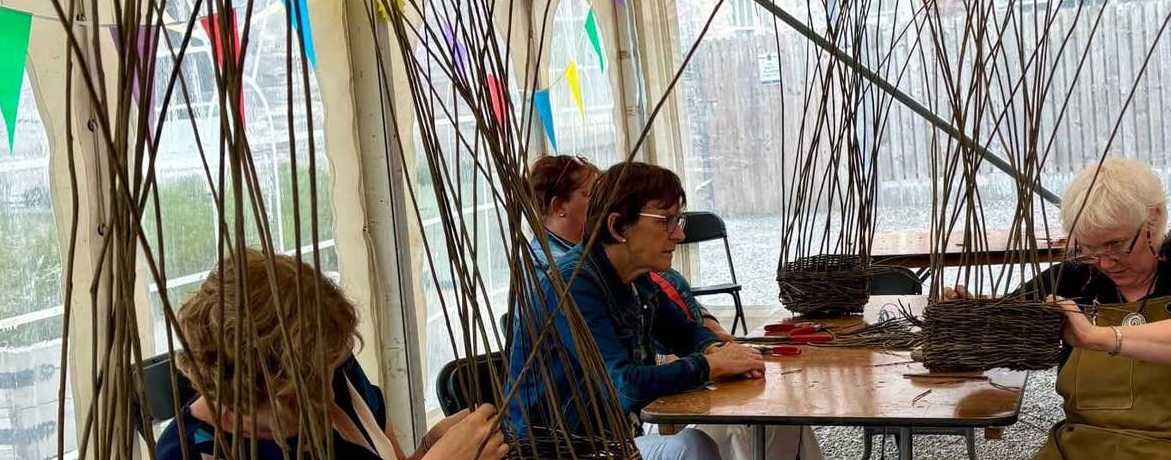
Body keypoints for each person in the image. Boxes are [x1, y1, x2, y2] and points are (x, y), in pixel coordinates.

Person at [945, 158, 1171, 459]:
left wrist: (1097, 337)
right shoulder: (1076, 278)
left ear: (1154, 219)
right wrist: (971, 318)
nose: (1104, 263)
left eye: (1116, 245)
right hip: (1085, 447)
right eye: (1088, 249)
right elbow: (1004, 327)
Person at [508, 161, 765, 460]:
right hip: (561, 451)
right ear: (617, 227)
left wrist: (715, 348)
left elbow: (682, 330)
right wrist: (712, 366)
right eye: (664, 220)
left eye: (678, 221)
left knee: (765, 424)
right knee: (692, 447)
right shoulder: (573, 285)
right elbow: (625, 387)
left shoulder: (635, 277)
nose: (679, 235)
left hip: (611, 441)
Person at [157, 248, 509, 460]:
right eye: (307, 387)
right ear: (250, 391)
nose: (327, 394)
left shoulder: (339, 376)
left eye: (330, 370)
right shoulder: (194, 452)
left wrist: (432, 445)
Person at [526, 155, 734, 342]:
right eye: (665, 221)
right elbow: (620, 377)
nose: (605, 203)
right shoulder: (563, 276)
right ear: (616, 226)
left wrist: (712, 343)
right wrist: (705, 364)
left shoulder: (628, 266)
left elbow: (676, 323)